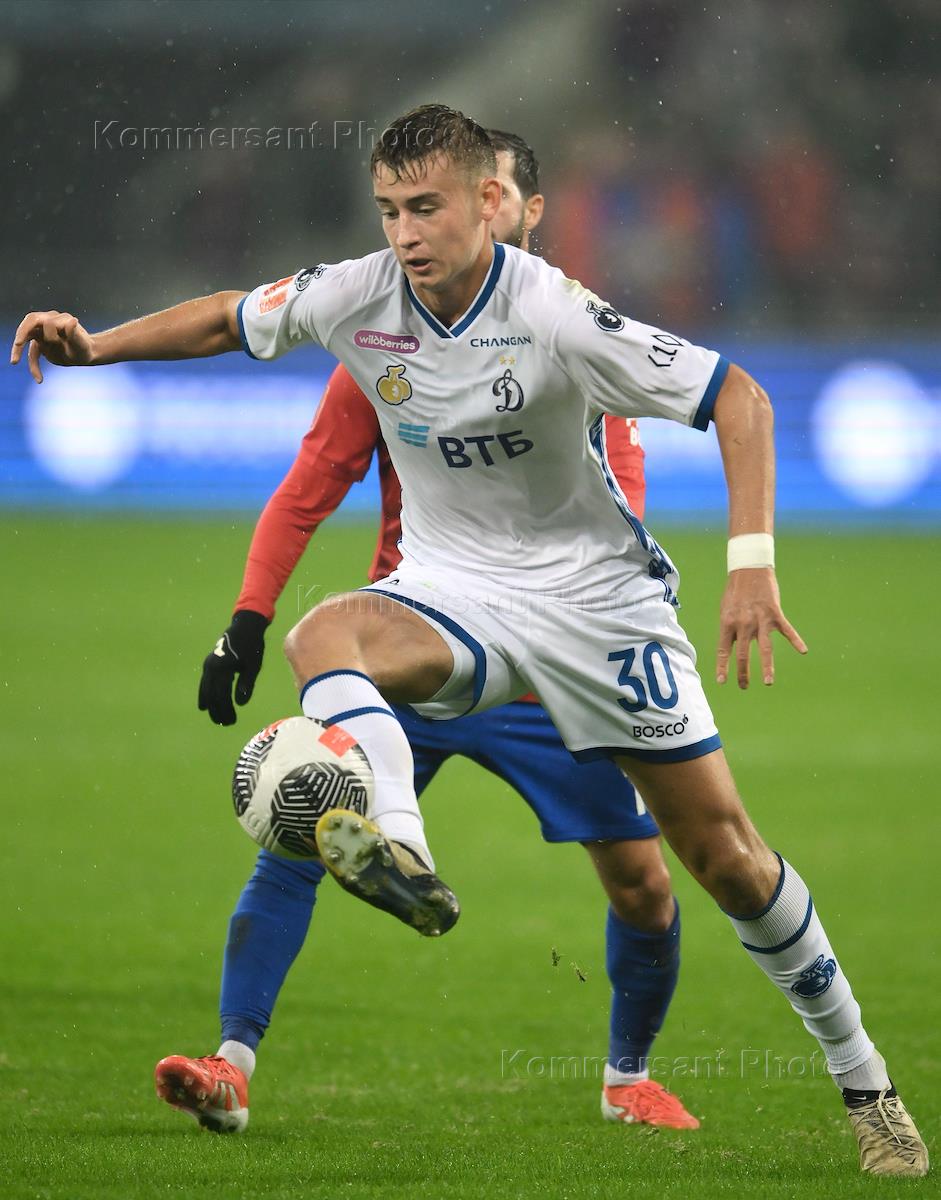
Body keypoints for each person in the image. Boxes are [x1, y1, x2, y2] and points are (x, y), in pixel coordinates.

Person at [10, 104, 928, 1178]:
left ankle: (865, 1085)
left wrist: (751, 565)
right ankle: (396, 852)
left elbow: (741, 398)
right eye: (388, 210)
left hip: (596, 610)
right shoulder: (358, 296)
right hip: (454, 594)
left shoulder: (557, 312)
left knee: (724, 860)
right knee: (324, 632)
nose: (404, 233)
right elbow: (225, 318)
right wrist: (96, 347)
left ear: (490, 202)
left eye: (425, 207)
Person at [164, 129, 693, 1134]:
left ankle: (627, 1077)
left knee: (641, 882)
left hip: (548, 669)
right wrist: (248, 617)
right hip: (414, 652)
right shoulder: (382, 345)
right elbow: (309, 485)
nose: (430, 229)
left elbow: (619, 509)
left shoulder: (577, 343)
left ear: (520, 211)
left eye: (490, 200)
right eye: (402, 212)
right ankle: (229, 1066)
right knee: (300, 832)